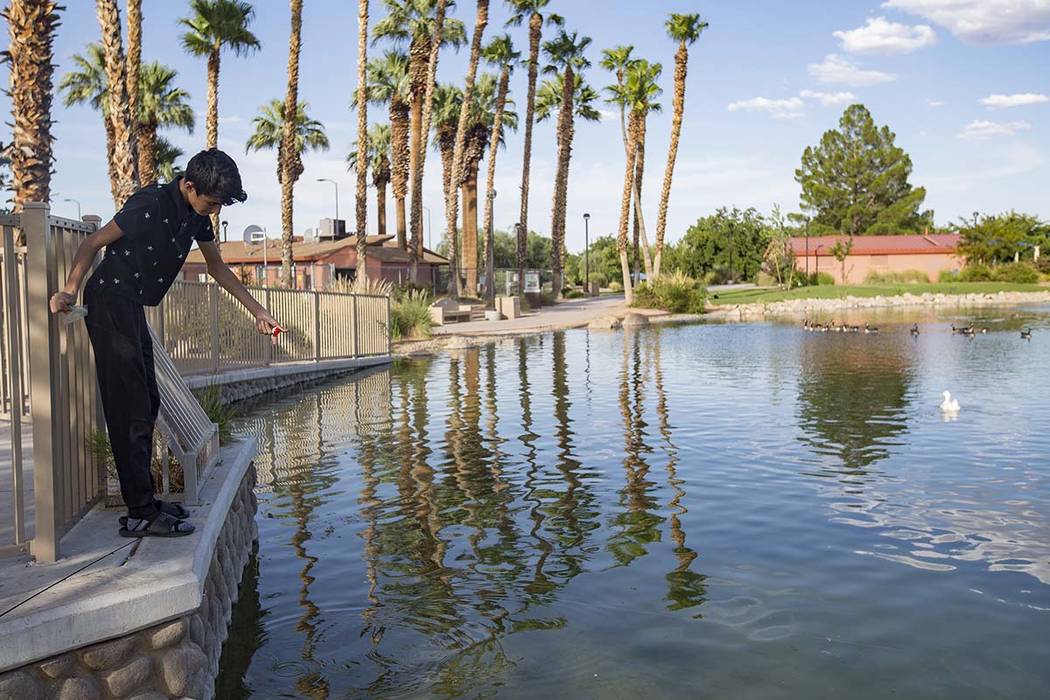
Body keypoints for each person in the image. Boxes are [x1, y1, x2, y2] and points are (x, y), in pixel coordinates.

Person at [49, 149, 280, 538]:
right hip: (108, 302)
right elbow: (92, 245)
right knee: (130, 408)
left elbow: (217, 268)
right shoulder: (150, 204)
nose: (213, 210)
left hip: (131, 305)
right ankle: (139, 513)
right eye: (211, 202)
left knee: (148, 402)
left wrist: (257, 310)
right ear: (189, 186)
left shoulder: (196, 217)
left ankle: (146, 504)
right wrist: (69, 290)